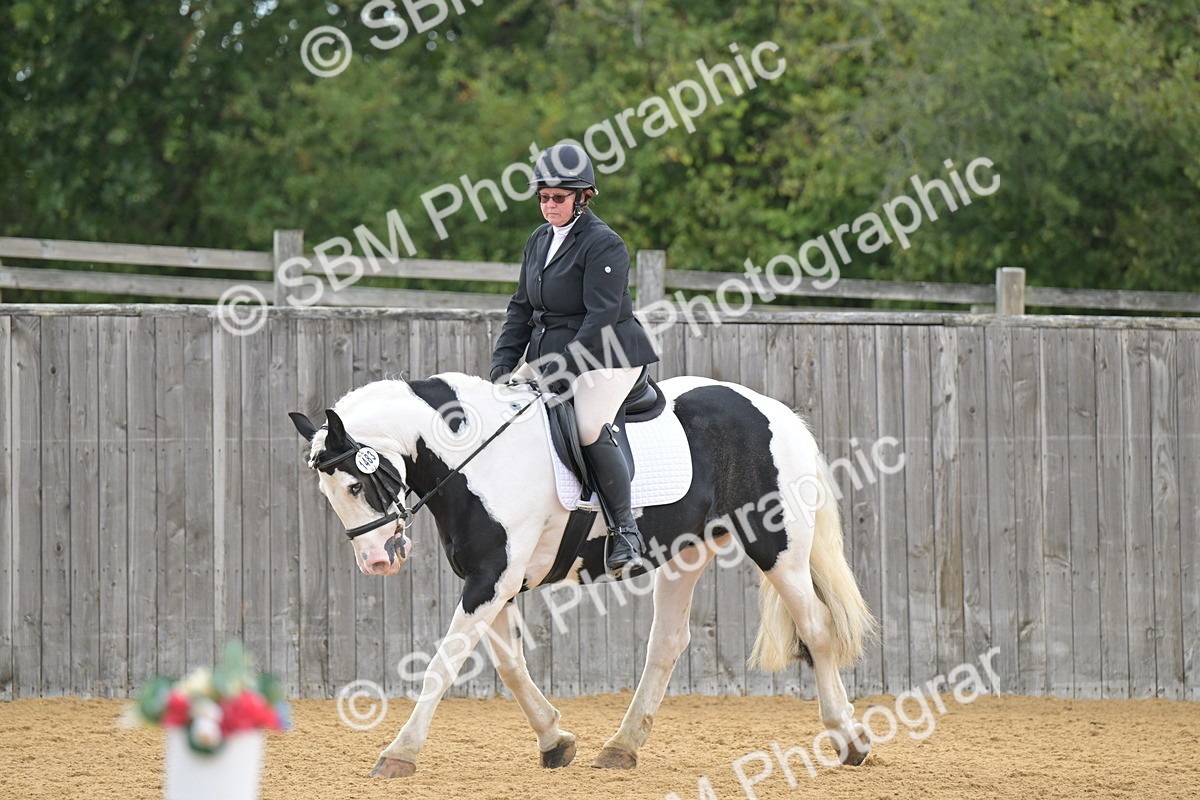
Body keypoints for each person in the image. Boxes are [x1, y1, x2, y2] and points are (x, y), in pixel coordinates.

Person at [489, 142, 659, 579]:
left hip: (609, 354)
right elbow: (521, 308)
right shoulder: (538, 240)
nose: (549, 206)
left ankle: (625, 531)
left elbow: (600, 318)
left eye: (559, 198)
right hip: (550, 355)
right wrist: (502, 366)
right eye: (543, 197)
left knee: (586, 426)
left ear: (582, 197)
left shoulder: (604, 244)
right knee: (501, 409)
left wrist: (562, 369)